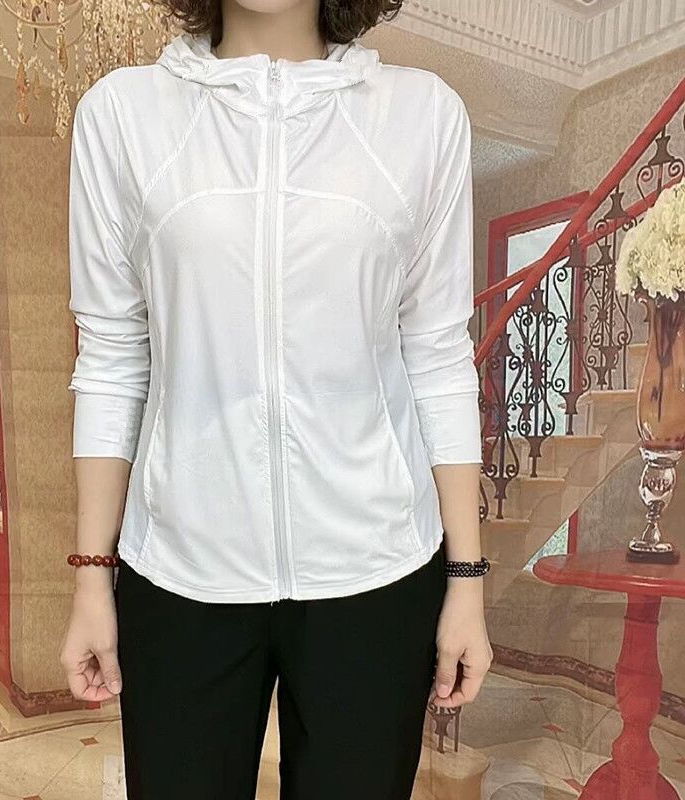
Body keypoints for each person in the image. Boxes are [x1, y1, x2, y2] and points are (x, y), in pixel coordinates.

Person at [59, 0, 493, 797]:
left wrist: (466, 579)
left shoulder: (423, 115)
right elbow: (115, 355)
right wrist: (92, 575)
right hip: (180, 573)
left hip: (377, 571)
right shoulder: (122, 115)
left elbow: (437, 356)